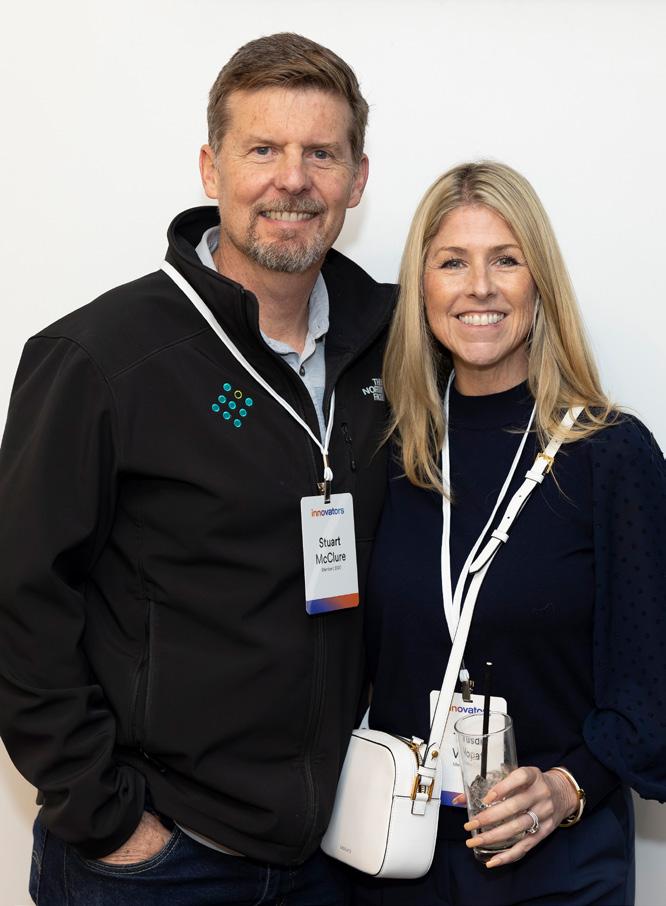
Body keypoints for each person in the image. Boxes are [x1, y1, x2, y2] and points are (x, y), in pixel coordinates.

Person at [0, 33, 395, 906]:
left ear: (357, 179)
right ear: (211, 169)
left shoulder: (390, 346)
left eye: (321, 153)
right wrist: (106, 817)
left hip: (330, 855)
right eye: (263, 150)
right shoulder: (100, 358)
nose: (292, 180)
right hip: (158, 859)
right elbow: (19, 599)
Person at [352, 161, 666, 905]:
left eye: (505, 260)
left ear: (539, 282)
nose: (479, 287)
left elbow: (653, 682)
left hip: (558, 868)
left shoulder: (609, 454)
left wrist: (569, 786)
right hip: (396, 863)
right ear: (420, 287)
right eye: (451, 262)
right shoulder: (387, 452)